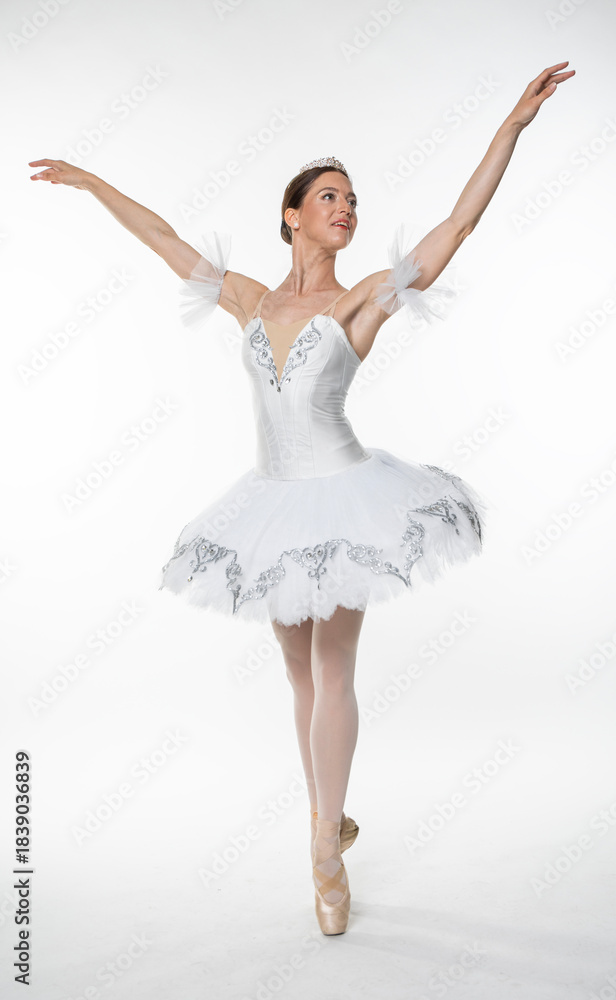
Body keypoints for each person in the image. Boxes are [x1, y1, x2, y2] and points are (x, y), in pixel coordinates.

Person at [29, 61, 575, 936]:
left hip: (344, 499)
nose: (345, 207)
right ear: (291, 215)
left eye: (352, 198)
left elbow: (456, 227)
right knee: (294, 673)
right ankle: (326, 822)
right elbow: (162, 237)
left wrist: (510, 126)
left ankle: (325, 847)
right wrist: (93, 181)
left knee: (331, 669)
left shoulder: (361, 299)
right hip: (270, 504)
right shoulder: (247, 298)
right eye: (328, 195)